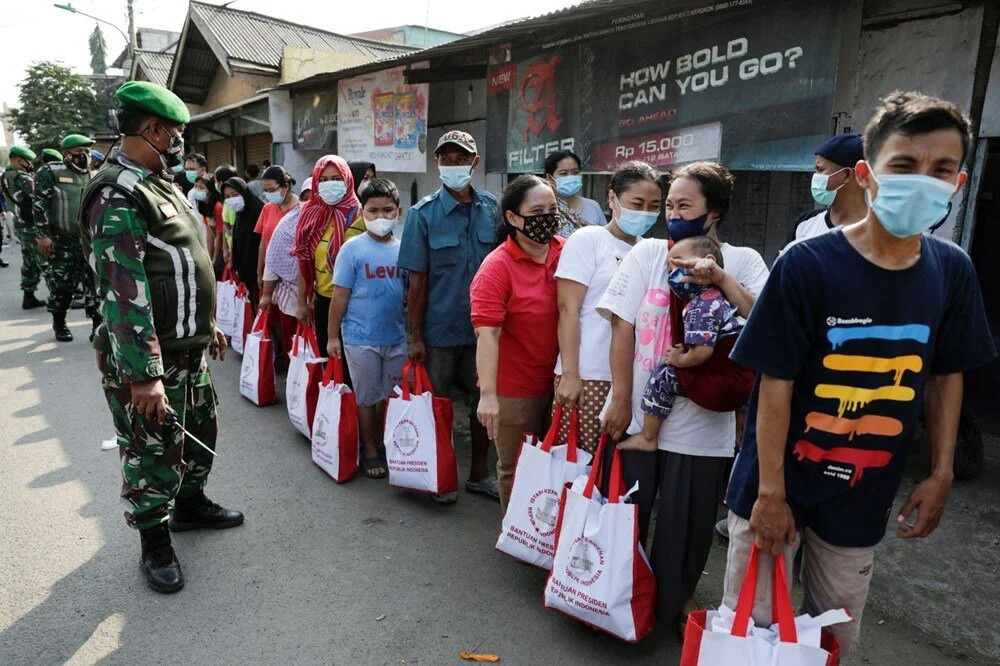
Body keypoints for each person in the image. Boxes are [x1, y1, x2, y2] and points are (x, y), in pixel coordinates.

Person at [722, 91, 995, 657]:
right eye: (904, 165)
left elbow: (947, 375)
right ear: (868, 174)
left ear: (959, 182)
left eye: (940, 169)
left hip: (863, 491)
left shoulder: (953, 270)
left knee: (835, 638)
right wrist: (770, 494)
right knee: (754, 636)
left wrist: (941, 471)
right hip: (779, 482)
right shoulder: (808, 263)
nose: (923, 180)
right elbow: (775, 382)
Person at [81, 81, 243, 595]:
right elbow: (124, 293)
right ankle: (155, 545)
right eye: (173, 133)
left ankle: (191, 506)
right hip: (150, 360)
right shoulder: (118, 192)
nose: (177, 142)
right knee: (153, 453)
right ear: (151, 130)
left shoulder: (160, 183)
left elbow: (181, 263)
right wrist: (144, 376)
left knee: (199, 433)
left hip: (187, 349)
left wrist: (207, 323)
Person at [597, 160, 769, 637]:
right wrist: (620, 398)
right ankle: (611, 594)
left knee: (686, 527)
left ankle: (674, 600)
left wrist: (720, 280)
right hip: (638, 418)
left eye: (683, 205)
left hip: (703, 427)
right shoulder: (649, 253)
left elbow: (764, 321)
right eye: (669, 204)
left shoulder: (744, 260)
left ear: (712, 211)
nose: (672, 213)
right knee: (625, 514)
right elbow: (621, 324)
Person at [397, 130, 500, 503]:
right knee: (438, 405)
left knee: (482, 402)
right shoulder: (421, 215)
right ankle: (440, 474)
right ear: (438, 164)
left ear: (475, 163)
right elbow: (417, 283)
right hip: (439, 329)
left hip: (484, 331)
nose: (454, 165)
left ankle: (479, 474)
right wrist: (416, 337)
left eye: (461, 158)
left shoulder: (492, 207)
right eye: (447, 159)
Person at [471, 175, 563, 510]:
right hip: (515, 390)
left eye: (552, 209)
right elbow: (488, 335)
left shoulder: (566, 253)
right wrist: (489, 395)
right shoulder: (496, 268)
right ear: (512, 217)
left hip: (561, 382)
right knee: (515, 467)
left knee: (558, 463)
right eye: (537, 210)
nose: (548, 217)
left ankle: (546, 532)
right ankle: (518, 538)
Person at [552, 161, 656, 454]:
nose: (645, 212)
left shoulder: (649, 250)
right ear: (612, 199)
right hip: (589, 376)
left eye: (653, 205)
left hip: (633, 381)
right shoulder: (590, 239)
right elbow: (567, 309)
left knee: (614, 478)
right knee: (578, 470)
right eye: (637, 203)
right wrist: (571, 373)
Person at [620, 235, 745, 451]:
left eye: (677, 262)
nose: (672, 275)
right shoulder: (723, 295)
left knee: (662, 376)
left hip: (720, 383)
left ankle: (648, 436)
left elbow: (702, 353)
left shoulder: (701, 305)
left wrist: (679, 360)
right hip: (743, 386)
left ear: (706, 262)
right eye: (668, 271)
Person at [327, 178, 407, 479]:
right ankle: (370, 451)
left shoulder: (404, 249)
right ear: (362, 213)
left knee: (390, 397)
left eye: (388, 210)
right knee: (366, 397)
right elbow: (340, 296)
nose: (380, 217)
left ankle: (387, 444)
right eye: (373, 211)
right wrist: (333, 337)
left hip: (396, 338)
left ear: (398, 211)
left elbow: (411, 294)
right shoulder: (352, 250)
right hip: (360, 339)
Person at [291, 155, 362, 355]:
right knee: (327, 360)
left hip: (355, 303)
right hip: (322, 300)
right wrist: (302, 303)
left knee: (351, 365)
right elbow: (304, 261)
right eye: (323, 180)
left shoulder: (361, 215)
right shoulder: (310, 214)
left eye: (336, 178)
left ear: (347, 180)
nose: (329, 184)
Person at [33, 133, 100, 341]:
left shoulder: (94, 174)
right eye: (79, 152)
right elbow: (39, 203)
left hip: (90, 242)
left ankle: (97, 326)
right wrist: (43, 236)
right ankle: (59, 323)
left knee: (95, 286)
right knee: (62, 286)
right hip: (62, 241)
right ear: (67, 154)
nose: (84, 156)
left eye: (87, 152)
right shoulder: (50, 171)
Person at [260, 177, 311, 359]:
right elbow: (273, 256)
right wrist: (266, 293)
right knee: (294, 347)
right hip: (291, 297)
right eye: (306, 197)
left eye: (316, 197)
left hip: (324, 300)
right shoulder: (288, 222)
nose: (310, 202)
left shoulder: (335, 223)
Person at [2, 146, 46, 309]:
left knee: (29, 261)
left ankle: (29, 296)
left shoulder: (6, 175)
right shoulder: (21, 177)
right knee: (45, 261)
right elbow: (40, 194)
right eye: (28, 161)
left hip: (21, 224)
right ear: (20, 160)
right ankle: (61, 298)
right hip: (31, 225)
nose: (30, 164)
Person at [543, 149, 606, 238]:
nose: (571, 177)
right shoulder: (545, 209)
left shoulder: (593, 206)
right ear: (549, 178)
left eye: (575, 172)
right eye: (563, 173)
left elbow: (604, 239)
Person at [222, 176, 264, 305]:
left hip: (258, 272)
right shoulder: (240, 211)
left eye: (235, 194)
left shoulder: (258, 210)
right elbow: (237, 237)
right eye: (227, 197)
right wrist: (232, 260)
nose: (231, 199)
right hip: (244, 270)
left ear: (244, 192)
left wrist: (260, 273)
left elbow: (262, 243)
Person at [255, 165, 299, 288]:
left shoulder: (301, 210)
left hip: (293, 277)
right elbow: (263, 243)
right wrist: (260, 273)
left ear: (285, 186)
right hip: (270, 274)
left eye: (272, 190)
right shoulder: (267, 208)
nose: (269, 194)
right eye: (266, 191)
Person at [215, 164, 238, 265]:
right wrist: (225, 249)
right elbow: (225, 226)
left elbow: (235, 232)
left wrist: (232, 258)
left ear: (220, 183)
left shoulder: (236, 203)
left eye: (216, 181)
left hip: (237, 252)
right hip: (230, 251)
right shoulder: (226, 200)